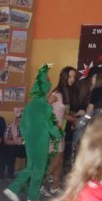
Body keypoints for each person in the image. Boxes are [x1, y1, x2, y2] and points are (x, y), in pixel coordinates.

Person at [3, 65, 63, 201]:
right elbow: (51, 125)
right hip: (41, 141)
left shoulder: (30, 105)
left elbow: (23, 124)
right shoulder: (44, 106)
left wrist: (26, 137)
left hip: (30, 141)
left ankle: (14, 189)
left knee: (31, 167)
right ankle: (31, 198)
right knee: (39, 169)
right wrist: (58, 134)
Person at [43, 66, 77, 194]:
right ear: (64, 77)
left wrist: (75, 118)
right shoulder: (57, 93)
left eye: (74, 77)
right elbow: (44, 109)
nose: (72, 79)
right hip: (53, 131)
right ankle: (38, 184)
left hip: (59, 131)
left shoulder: (65, 93)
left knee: (60, 159)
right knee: (56, 159)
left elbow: (61, 114)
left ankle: (55, 186)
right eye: (70, 76)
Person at [0, 108, 26, 180]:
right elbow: (6, 141)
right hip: (13, 146)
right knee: (9, 150)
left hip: (24, 147)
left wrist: (22, 142)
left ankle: (28, 174)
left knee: (31, 152)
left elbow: (29, 140)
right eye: (18, 121)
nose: (20, 123)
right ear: (15, 121)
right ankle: (10, 173)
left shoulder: (28, 127)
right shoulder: (11, 126)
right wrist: (17, 142)